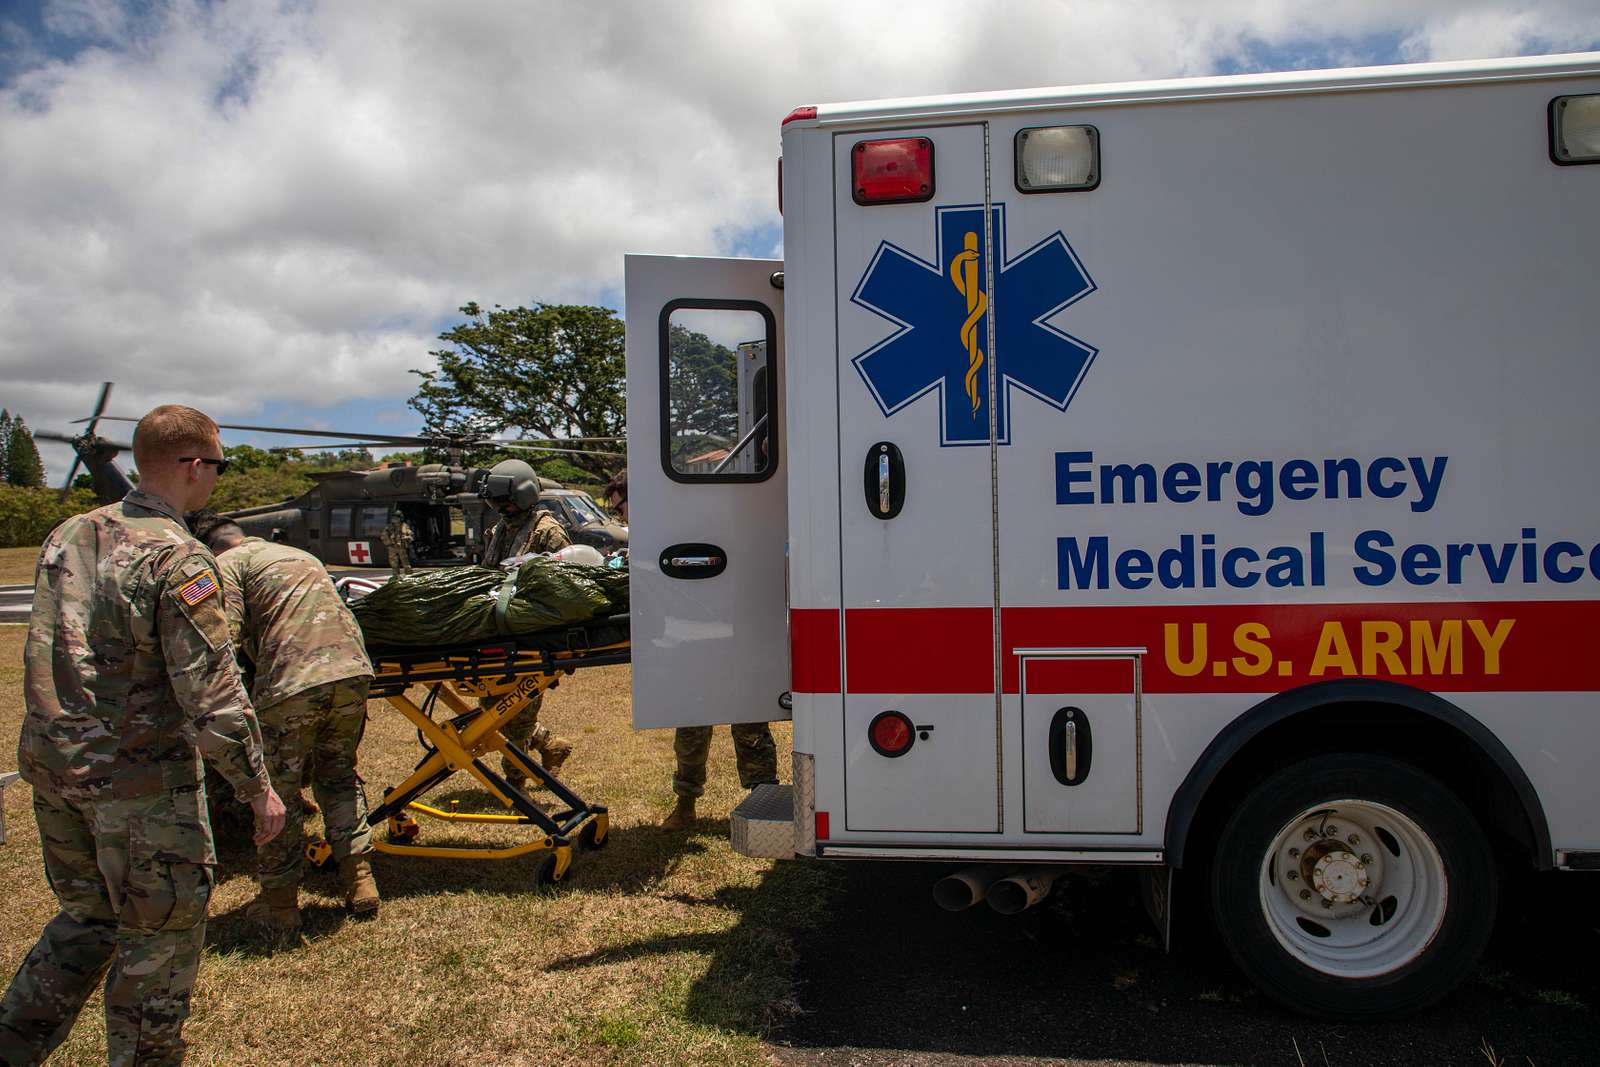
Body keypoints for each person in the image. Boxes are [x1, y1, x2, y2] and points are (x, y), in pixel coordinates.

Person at [0, 405, 285, 1067]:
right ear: (193, 466)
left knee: (88, 922)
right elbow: (211, 692)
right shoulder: (179, 556)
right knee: (157, 950)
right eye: (217, 466)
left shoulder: (67, 533)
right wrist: (258, 787)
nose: (216, 479)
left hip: (55, 775)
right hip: (139, 789)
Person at [190, 512, 379, 929]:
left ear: (209, 548)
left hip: (292, 683)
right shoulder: (298, 554)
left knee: (280, 795)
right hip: (352, 673)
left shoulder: (225, 566)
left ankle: (280, 905)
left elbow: (225, 637)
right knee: (339, 776)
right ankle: (360, 881)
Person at [477, 459, 574, 785]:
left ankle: (515, 784)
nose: (497, 506)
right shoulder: (498, 530)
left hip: (532, 635)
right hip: (500, 630)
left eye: (501, 499)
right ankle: (550, 744)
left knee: (513, 712)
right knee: (494, 706)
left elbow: (569, 582)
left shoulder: (548, 533)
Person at [380, 512, 413, 578]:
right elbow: (383, 536)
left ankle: (409, 576)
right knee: (394, 564)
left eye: (397, 518)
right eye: (394, 518)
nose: (395, 520)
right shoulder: (389, 527)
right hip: (392, 548)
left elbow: (410, 535)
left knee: (405, 563)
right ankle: (396, 577)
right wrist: (390, 542)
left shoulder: (405, 526)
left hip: (401, 547)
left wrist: (406, 538)